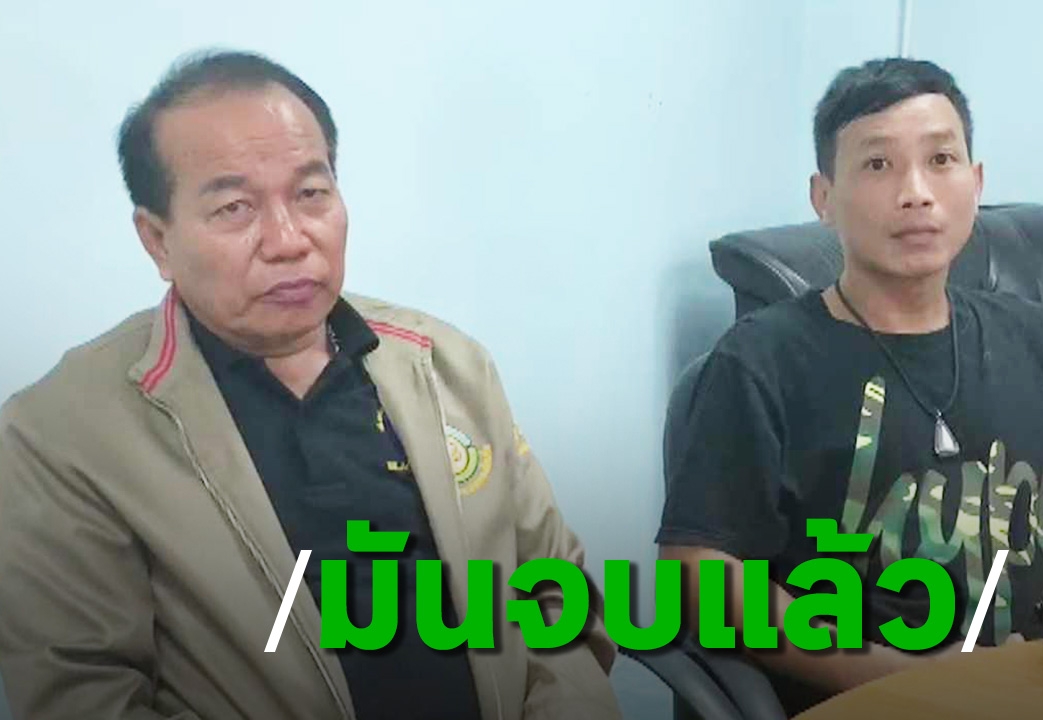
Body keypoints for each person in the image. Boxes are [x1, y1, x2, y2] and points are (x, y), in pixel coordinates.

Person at [0, 50, 622, 720]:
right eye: (235, 207)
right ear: (157, 240)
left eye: (310, 194)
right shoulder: (62, 434)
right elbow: (87, 695)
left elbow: (558, 603)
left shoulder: (449, 365)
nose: (288, 240)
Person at [656, 58, 1043, 716]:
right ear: (823, 198)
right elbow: (699, 568)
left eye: (941, 159)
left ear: (976, 182)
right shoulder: (759, 362)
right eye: (878, 164)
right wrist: (906, 679)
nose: (916, 192)